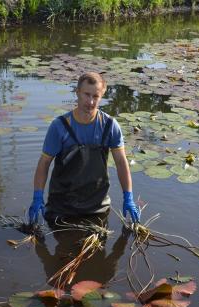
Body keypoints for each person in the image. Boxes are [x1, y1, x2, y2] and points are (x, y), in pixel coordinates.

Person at [27, 72, 140, 224]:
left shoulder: (110, 126)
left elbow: (121, 162)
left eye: (96, 96)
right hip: (62, 205)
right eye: (87, 94)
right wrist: (37, 196)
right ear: (77, 92)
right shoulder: (59, 126)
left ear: (102, 96)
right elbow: (44, 163)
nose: (91, 102)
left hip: (97, 205)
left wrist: (128, 197)